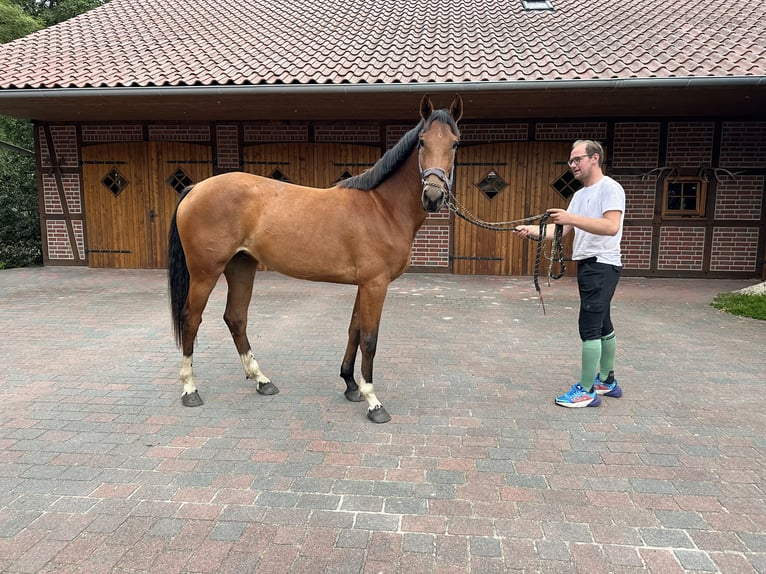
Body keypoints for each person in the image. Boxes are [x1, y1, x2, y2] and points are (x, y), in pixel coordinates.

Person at [513, 140, 625, 408]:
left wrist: (570, 218)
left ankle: (587, 391)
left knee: (589, 328)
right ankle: (607, 381)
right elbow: (560, 231)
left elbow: (611, 226)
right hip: (589, 265)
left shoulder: (610, 188)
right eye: (571, 161)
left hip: (602, 264)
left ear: (594, 158)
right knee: (603, 324)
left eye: (578, 160)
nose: (573, 165)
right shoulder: (579, 195)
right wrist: (532, 231)